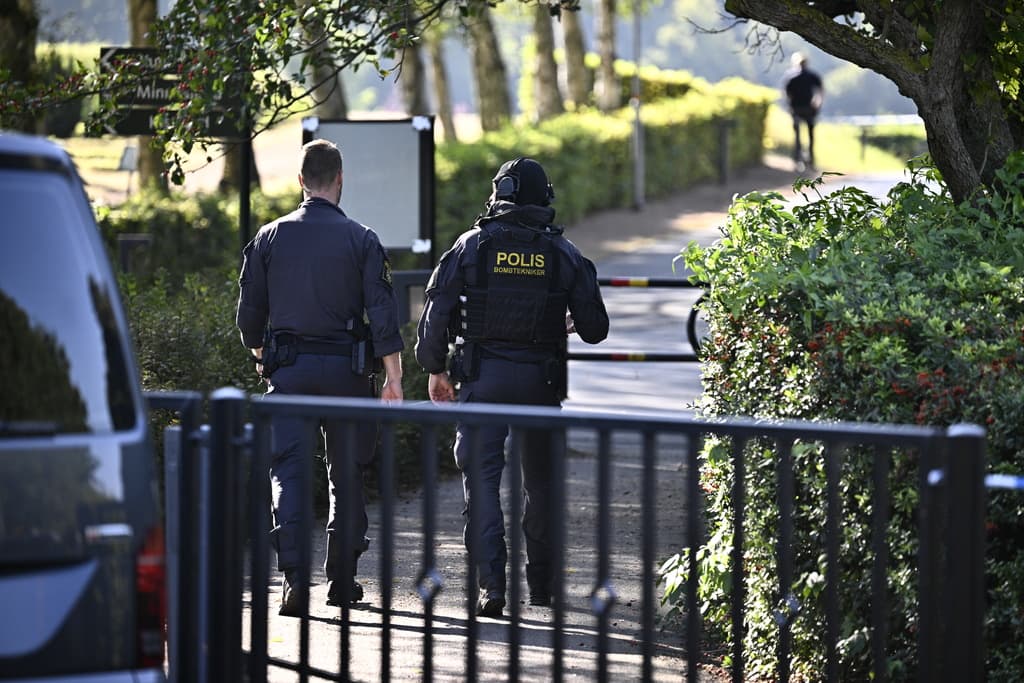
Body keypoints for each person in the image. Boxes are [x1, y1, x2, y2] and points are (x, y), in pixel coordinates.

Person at [415, 157, 609, 617]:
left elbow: (436, 312)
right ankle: (541, 588)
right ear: (544, 198)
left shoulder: (471, 246)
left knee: (481, 484)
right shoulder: (564, 253)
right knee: (540, 486)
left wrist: (434, 367)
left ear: (500, 193)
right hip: (541, 385)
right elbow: (596, 327)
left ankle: (491, 589)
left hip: (482, 382)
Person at [235, 138, 404, 618]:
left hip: (289, 374)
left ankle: (293, 579)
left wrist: (263, 353)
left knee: (288, 471)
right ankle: (343, 580)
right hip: (349, 376)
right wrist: (393, 377)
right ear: (340, 180)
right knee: (345, 473)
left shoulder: (268, 238)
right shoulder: (363, 238)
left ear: (300, 181)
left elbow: (248, 315)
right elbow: (382, 314)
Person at [783, 52, 824, 169]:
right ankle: (808, 160)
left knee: (799, 136)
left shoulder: (791, 76)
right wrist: (817, 102)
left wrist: (790, 106)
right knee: (809, 135)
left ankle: (800, 160)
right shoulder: (811, 75)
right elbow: (820, 91)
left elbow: (787, 93)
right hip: (806, 108)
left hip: (799, 108)